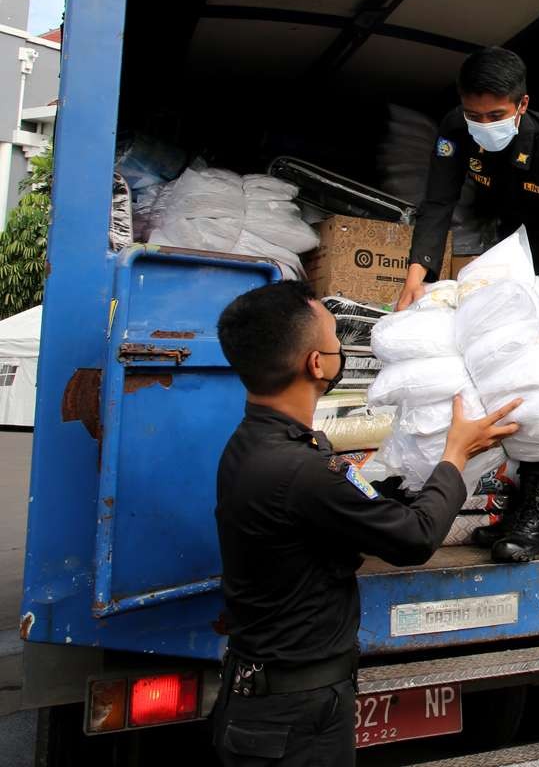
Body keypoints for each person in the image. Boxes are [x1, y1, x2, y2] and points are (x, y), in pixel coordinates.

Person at [212, 281, 521, 767]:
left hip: (269, 698)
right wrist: (455, 456)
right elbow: (414, 538)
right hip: (294, 717)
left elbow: (330, 520)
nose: (340, 350)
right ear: (317, 364)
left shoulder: (253, 445)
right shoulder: (302, 471)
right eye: (335, 340)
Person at [397, 45, 539, 562]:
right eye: (475, 115)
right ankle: (516, 505)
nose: (483, 124)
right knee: (492, 375)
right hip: (510, 256)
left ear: (521, 104)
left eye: (495, 116)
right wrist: (415, 275)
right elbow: (439, 202)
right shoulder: (454, 126)